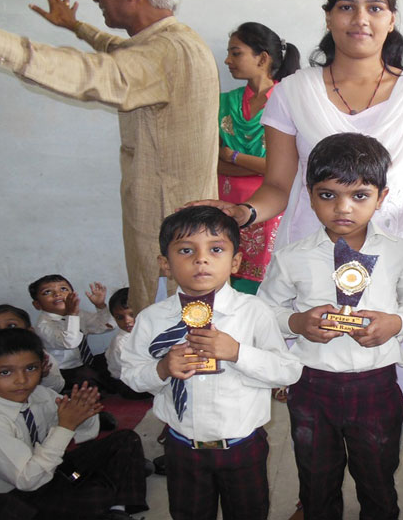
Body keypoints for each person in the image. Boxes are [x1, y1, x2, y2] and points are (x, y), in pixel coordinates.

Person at [0, 0, 220, 313]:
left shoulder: (168, 50)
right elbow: (120, 51)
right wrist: (76, 27)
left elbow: (92, 73)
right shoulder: (170, 43)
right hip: (176, 229)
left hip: (171, 236)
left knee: (175, 331)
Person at [201, 0, 403, 259]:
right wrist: (245, 212)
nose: (360, 19)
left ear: (391, 20)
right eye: (347, 7)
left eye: (375, 8)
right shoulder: (292, 92)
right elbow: (278, 186)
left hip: (394, 256)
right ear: (328, 17)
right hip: (310, 255)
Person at [257, 133, 403, 520]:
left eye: (359, 195)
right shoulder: (291, 257)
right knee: (316, 477)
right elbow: (265, 311)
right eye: (328, 195)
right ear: (309, 195)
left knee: (378, 477)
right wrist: (297, 322)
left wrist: (395, 323)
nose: (342, 208)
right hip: (312, 385)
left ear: (381, 197)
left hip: (376, 384)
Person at [120, 206, 302, 520]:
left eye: (215, 249)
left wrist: (237, 352)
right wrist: (161, 369)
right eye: (186, 250)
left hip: (243, 445)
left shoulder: (254, 312)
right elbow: (131, 375)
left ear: (235, 262)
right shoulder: (151, 319)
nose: (201, 259)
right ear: (165, 264)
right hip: (182, 447)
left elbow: (287, 371)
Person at [0, 328, 148, 520]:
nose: (22, 380)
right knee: (95, 496)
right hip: (12, 494)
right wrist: (65, 427)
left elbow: (81, 434)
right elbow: (27, 480)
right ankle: (109, 489)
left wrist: (83, 413)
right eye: (5, 372)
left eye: (31, 368)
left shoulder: (40, 395)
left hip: (47, 468)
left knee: (126, 440)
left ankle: (118, 509)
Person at [218, 22, 300, 294]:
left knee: (269, 288)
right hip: (225, 206)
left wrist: (233, 157)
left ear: (262, 58)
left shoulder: (288, 101)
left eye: (236, 53)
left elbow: (287, 169)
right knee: (223, 280)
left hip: (270, 208)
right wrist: (261, 166)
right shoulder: (223, 102)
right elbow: (210, 161)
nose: (227, 60)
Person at [28, 276, 114, 392]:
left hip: (85, 363)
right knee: (90, 381)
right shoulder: (43, 325)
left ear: (73, 295)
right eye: (47, 292)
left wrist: (100, 306)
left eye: (63, 289)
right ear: (37, 304)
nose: (57, 294)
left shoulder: (79, 314)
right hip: (63, 371)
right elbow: (70, 343)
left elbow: (105, 326)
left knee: (111, 358)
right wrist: (71, 315)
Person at [0, 305, 66, 398]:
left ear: (30, 332)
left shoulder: (41, 357)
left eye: (11, 326)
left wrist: (44, 376)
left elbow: (57, 388)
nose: (4, 332)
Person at [104, 288, 149, 400]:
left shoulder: (147, 330)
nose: (127, 321)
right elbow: (126, 373)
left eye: (132, 315)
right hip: (126, 382)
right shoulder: (121, 342)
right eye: (120, 317)